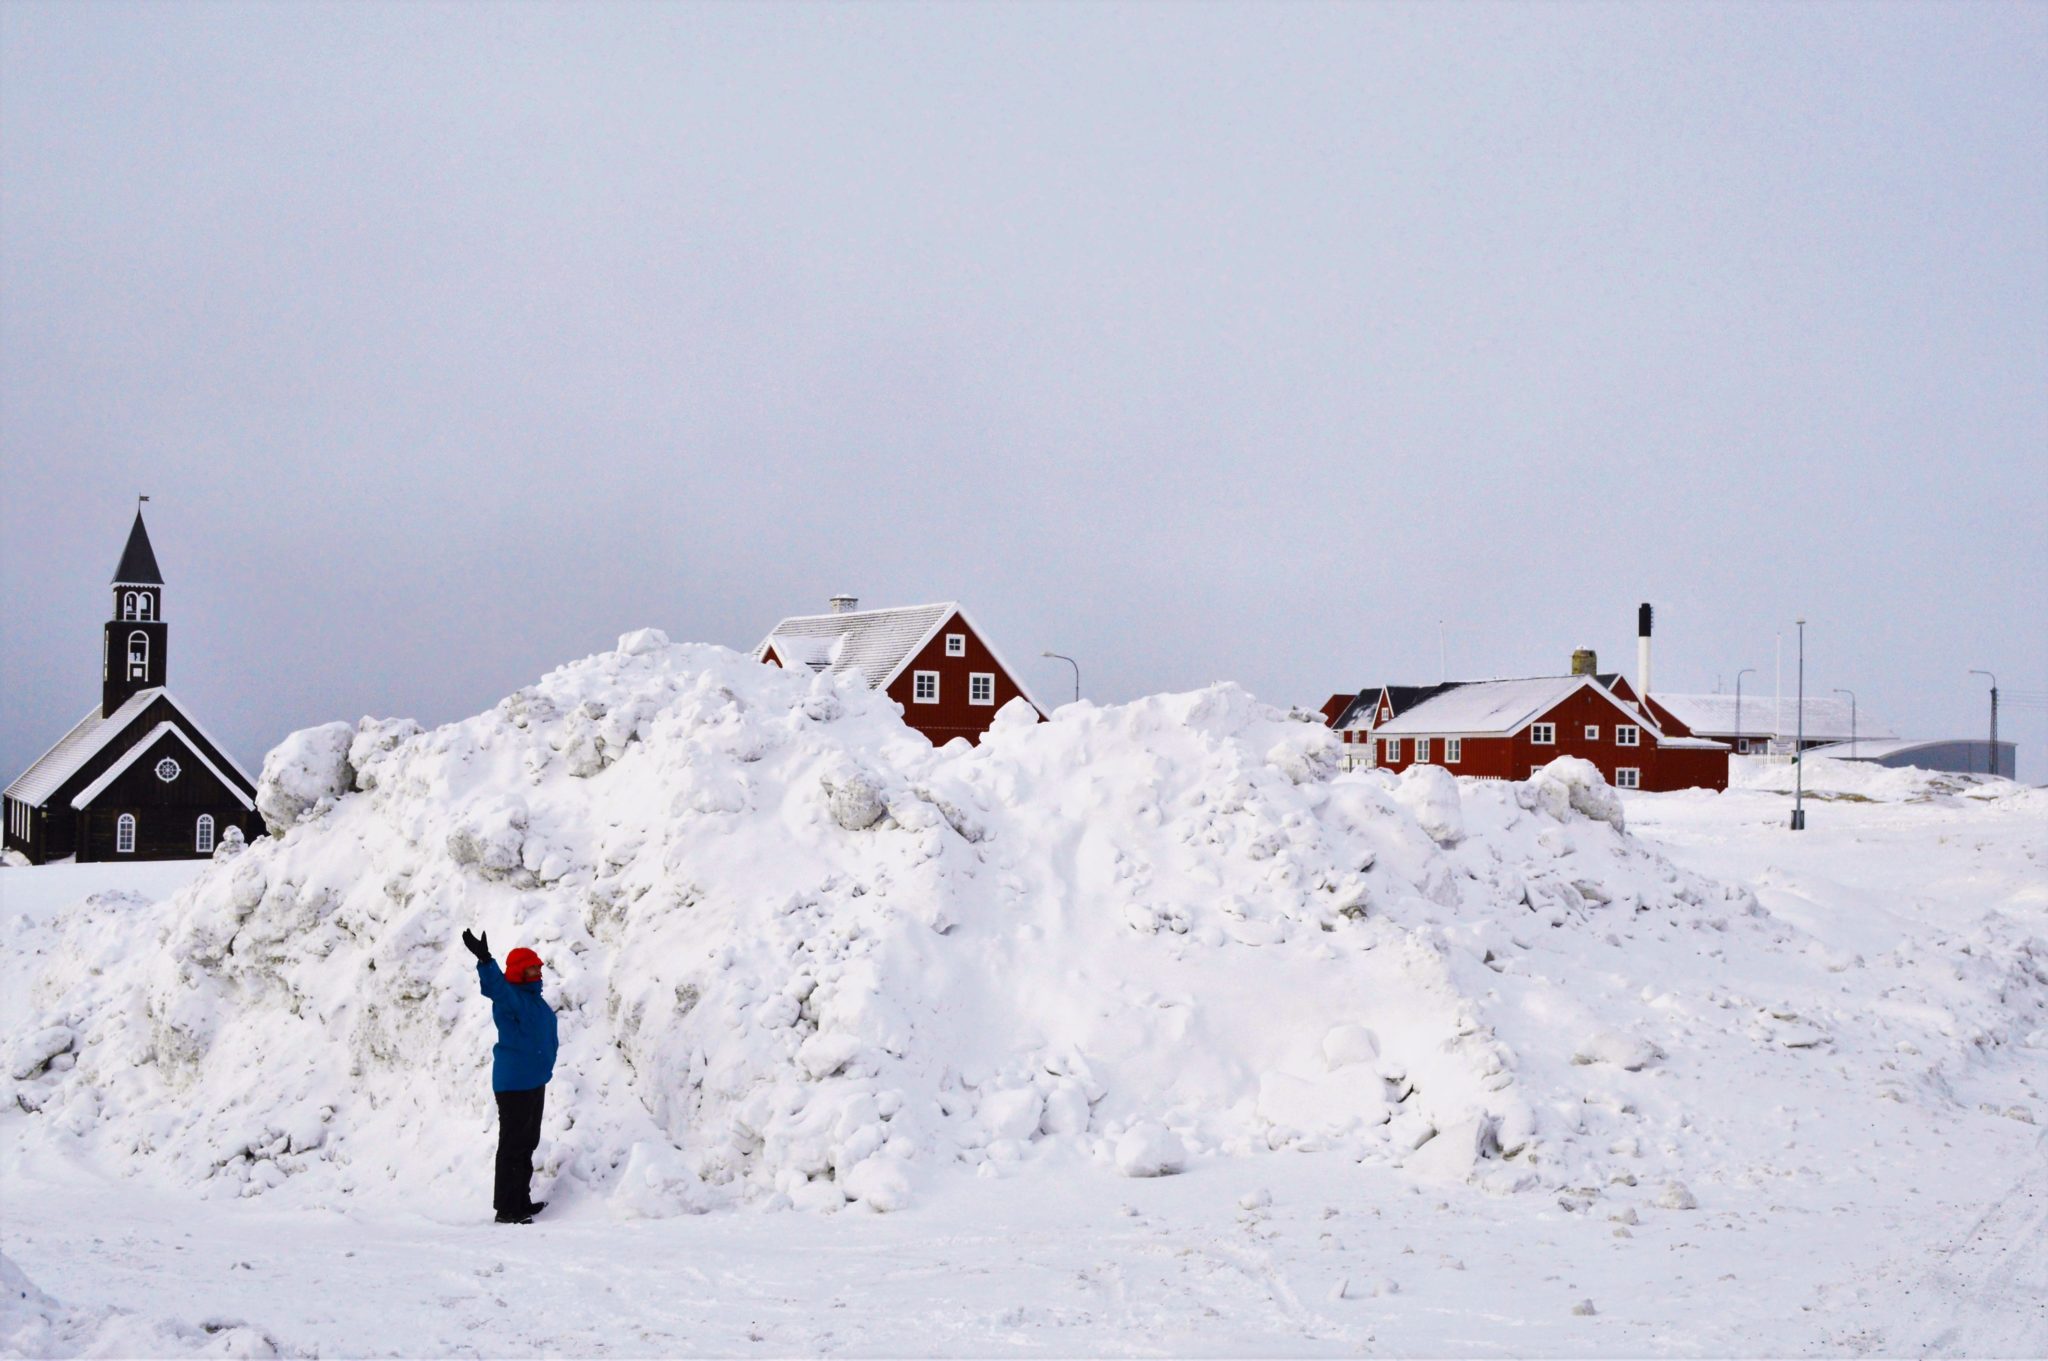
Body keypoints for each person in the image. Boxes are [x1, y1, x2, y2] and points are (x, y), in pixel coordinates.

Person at [461, 928, 558, 1224]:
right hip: (515, 1085)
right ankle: (507, 1209)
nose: (537, 972)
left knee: (527, 1144)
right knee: (513, 1146)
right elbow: (496, 988)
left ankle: (521, 1200)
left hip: (533, 1081)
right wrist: (485, 960)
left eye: (538, 967)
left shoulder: (534, 998)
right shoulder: (511, 997)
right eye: (531, 968)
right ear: (519, 972)